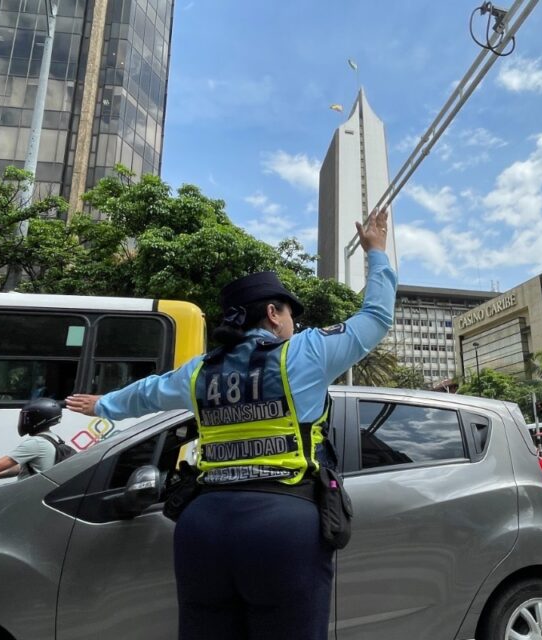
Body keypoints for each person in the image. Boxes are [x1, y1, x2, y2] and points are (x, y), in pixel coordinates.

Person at [64, 209, 395, 640]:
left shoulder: (201, 370)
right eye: (290, 314)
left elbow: (148, 393)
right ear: (274, 313)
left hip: (203, 527)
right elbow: (376, 318)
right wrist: (376, 253)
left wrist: (101, 405)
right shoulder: (305, 353)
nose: (295, 323)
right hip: (283, 524)